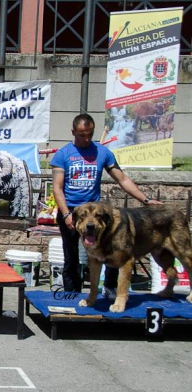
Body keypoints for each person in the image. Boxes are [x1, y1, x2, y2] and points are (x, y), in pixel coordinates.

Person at [50, 113, 162, 294]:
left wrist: (146, 200)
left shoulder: (102, 152)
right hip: (72, 210)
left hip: (96, 212)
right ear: (73, 132)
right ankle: (72, 293)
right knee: (71, 256)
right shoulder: (63, 155)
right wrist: (66, 213)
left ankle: (109, 287)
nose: (86, 138)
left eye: (89, 134)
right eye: (81, 134)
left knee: (112, 249)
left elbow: (123, 179)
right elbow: (57, 188)